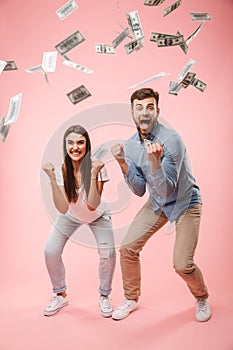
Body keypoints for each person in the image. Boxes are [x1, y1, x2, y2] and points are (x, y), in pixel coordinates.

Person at [111, 88, 211, 322]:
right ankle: (131, 298)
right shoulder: (132, 145)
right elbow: (139, 190)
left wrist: (154, 163)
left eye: (149, 107)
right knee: (128, 248)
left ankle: (202, 297)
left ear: (157, 110)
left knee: (182, 264)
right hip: (157, 203)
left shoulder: (172, 140)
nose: (144, 112)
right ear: (132, 112)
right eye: (139, 107)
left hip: (185, 202)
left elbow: (168, 188)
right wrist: (122, 164)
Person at [42, 125, 116, 317]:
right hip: (71, 215)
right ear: (65, 146)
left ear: (87, 145)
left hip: (98, 215)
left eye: (80, 142)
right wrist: (51, 177)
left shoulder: (97, 167)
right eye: (71, 143)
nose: (75, 147)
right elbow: (62, 208)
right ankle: (60, 294)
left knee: (107, 252)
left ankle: (104, 295)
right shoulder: (60, 171)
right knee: (50, 250)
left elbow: (92, 205)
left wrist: (93, 173)